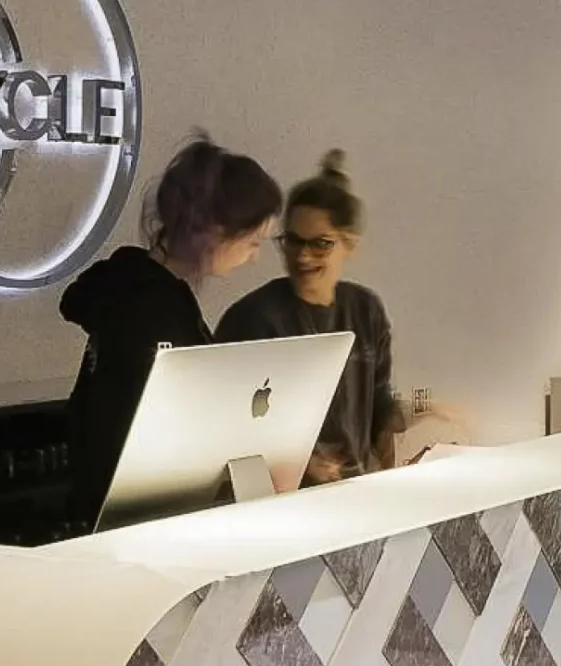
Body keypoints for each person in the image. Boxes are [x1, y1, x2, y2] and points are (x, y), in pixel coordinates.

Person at [59, 135, 282, 528]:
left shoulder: (136, 291)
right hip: (135, 523)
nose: (254, 256)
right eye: (252, 242)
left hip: (115, 512)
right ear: (214, 232)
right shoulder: (153, 309)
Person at [215, 151, 406, 484]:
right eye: (293, 241)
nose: (303, 256)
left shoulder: (366, 310)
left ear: (350, 244)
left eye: (320, 244)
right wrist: (299, 464)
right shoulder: (253, 319)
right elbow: (223, 430)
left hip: (352, 495)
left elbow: (380, 407)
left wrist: (422, 410)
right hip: (280, 505)